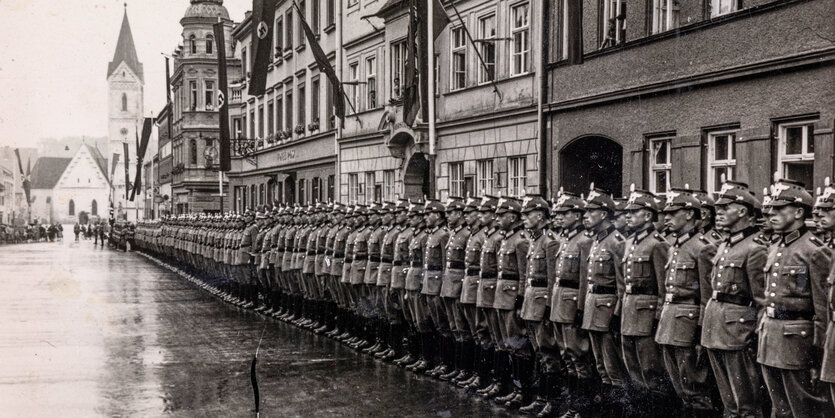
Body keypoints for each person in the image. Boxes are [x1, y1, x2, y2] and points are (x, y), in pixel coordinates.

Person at [758, 178, 833, 417]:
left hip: (797, 343)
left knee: (803, 409)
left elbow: (823, 309)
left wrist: (818, 352)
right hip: (770, 337)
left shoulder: (814, 250)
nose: (772, 213)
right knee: (779, 409)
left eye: (780, 209)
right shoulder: (775, 246)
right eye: (772, 209)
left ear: (799, 212)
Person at [701, 180, 767, 417]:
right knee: (728, 403)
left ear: (742, 211)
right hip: (716, 327)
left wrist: (756, 335)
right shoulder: (725, 244)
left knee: (745, 402)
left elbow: (762, 300)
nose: (718, 213)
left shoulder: (755, 248)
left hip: (739, 332)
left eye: (724, 208)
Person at [657, 188, 718, 416]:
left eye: (673, 214)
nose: (667, 218)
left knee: (694, 387)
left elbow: (707, 295)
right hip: (670, 321)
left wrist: (702, 330)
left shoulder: (702, 248)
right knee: (680, 387)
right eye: (666, 214)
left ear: (690, 215)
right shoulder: (675, 245)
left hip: (689, 324)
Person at [620, 186, 673, 410]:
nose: (628, 216)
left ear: (648, 215)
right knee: (633, 368)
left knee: (651, 370)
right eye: (627, 212)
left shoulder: (657, 244)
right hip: (629, 311)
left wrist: (658, 316)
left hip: (646, 314)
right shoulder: (631, 242)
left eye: (634, 212)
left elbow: (663, 287)